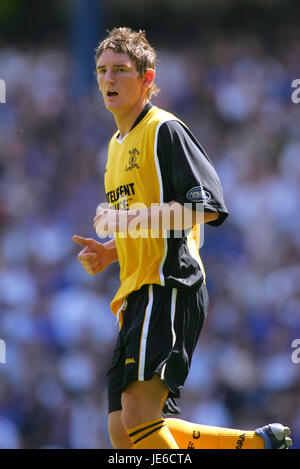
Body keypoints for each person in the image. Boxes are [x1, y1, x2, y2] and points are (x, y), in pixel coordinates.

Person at [73, 27, 292, 450]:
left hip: (170, 283)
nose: (109, 80)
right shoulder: (115, 146)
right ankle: (259, 445)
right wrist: (111, 252)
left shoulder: (164, 129)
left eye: (121, 70)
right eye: (102, 71)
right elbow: (147, 223)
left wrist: (132, 221)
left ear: (147, 79)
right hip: (136, 291)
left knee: (139, 414)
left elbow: (206, 207)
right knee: (123, 431)